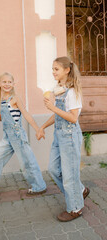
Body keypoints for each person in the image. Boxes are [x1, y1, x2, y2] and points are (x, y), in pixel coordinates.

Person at [0, 72, 46, 198]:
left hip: (17, 135)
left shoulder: (15, 98)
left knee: (27, 163)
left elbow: (26, 114)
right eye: (4, 82)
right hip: (7, 137)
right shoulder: (3, 100)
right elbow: (3, 118)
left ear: (13, 84)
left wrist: (38, 129)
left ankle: (39, 187)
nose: (7, 84)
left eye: (9, 82)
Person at [37, 57, 90, 222]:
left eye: (56, 69)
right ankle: (79, 191)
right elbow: (58, 114)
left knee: (69, 176)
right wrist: (43, 126)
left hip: (70, 137)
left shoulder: (72, 91)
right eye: (52, 69)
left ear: (67, 70)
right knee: (53, 169)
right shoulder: (59, 88)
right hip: (58, 135)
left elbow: (73, 118)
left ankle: (75, 208)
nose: (53, 72)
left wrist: (52, 107)